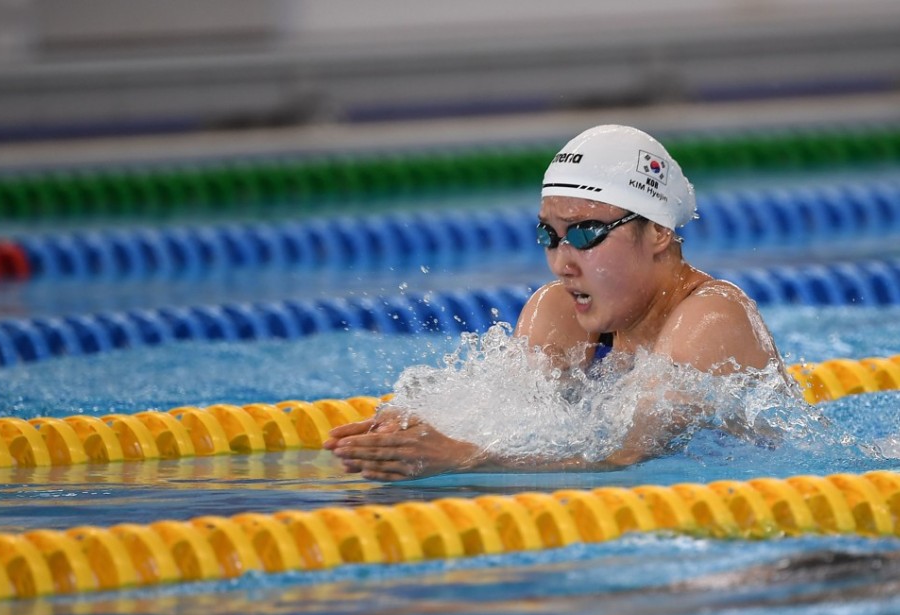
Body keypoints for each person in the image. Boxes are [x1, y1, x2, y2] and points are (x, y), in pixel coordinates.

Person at [324, 124, 790, 481]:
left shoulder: (710, 318)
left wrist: (465, 458)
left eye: (586, 233)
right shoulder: (559, 310)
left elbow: (625, 461)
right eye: (550, 235)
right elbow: (516, 425)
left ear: (658, 232)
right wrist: (421, 431)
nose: (561, 263)